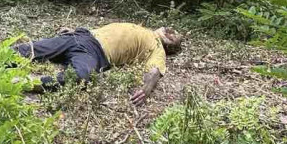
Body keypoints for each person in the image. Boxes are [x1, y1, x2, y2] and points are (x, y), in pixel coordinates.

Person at [11, 22, 184, 105]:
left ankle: (31, 83)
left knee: (82, 77)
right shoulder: (142, 28)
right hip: (79, 36)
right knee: (23, 51)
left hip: (93, 52)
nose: (170, 30)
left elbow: (154, 71)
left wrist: (145, 91)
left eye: (173, 35)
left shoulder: (157, 47)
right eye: (170, 29)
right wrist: (74, 30)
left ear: (171, 46)